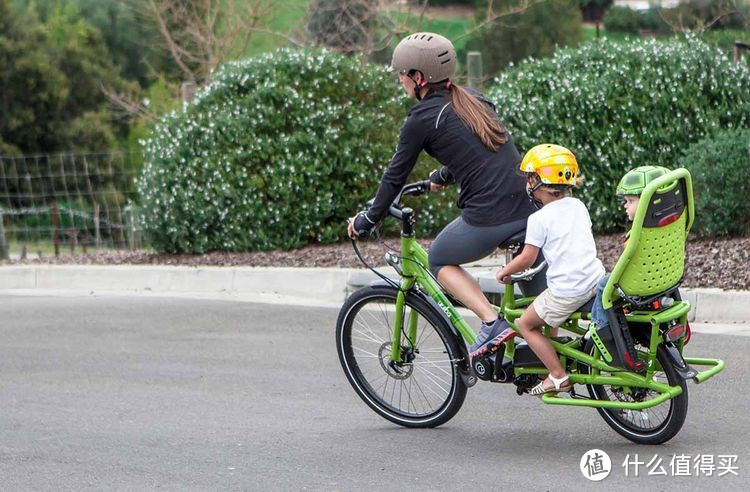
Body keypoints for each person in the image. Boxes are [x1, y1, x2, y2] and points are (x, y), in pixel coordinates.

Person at [347, 32, 536, 353]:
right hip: (529, 206)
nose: (400, 81)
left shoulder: (421, 119)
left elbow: (394, 177)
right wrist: (443, 176)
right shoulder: (473, 98)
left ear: (418, 77)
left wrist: (368, 218)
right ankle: (539, 355)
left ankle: (492, 323)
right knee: (537, 292)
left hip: (490, 215)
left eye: (402, 75)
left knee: (439, 258)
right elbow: (481, 150)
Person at [494, 144, 605, 395]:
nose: (527, 183)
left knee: (526, 324)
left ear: (540, 182)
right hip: (594, 279)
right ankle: (551, 356)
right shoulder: (578, 206)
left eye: (530, 177)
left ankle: (557, 375)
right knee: (544, 305)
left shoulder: (539, 219)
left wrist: (504, 272)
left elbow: (527, 259)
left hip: (568, 290)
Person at [589, 166, 670, 335]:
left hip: (640, 282)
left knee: (604, 285)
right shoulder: (668, 227)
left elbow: (625, 264)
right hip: (665, 278)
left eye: (630, 201)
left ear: (648, 201)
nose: (626, 206)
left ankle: (600, 328)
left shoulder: (638, 234)